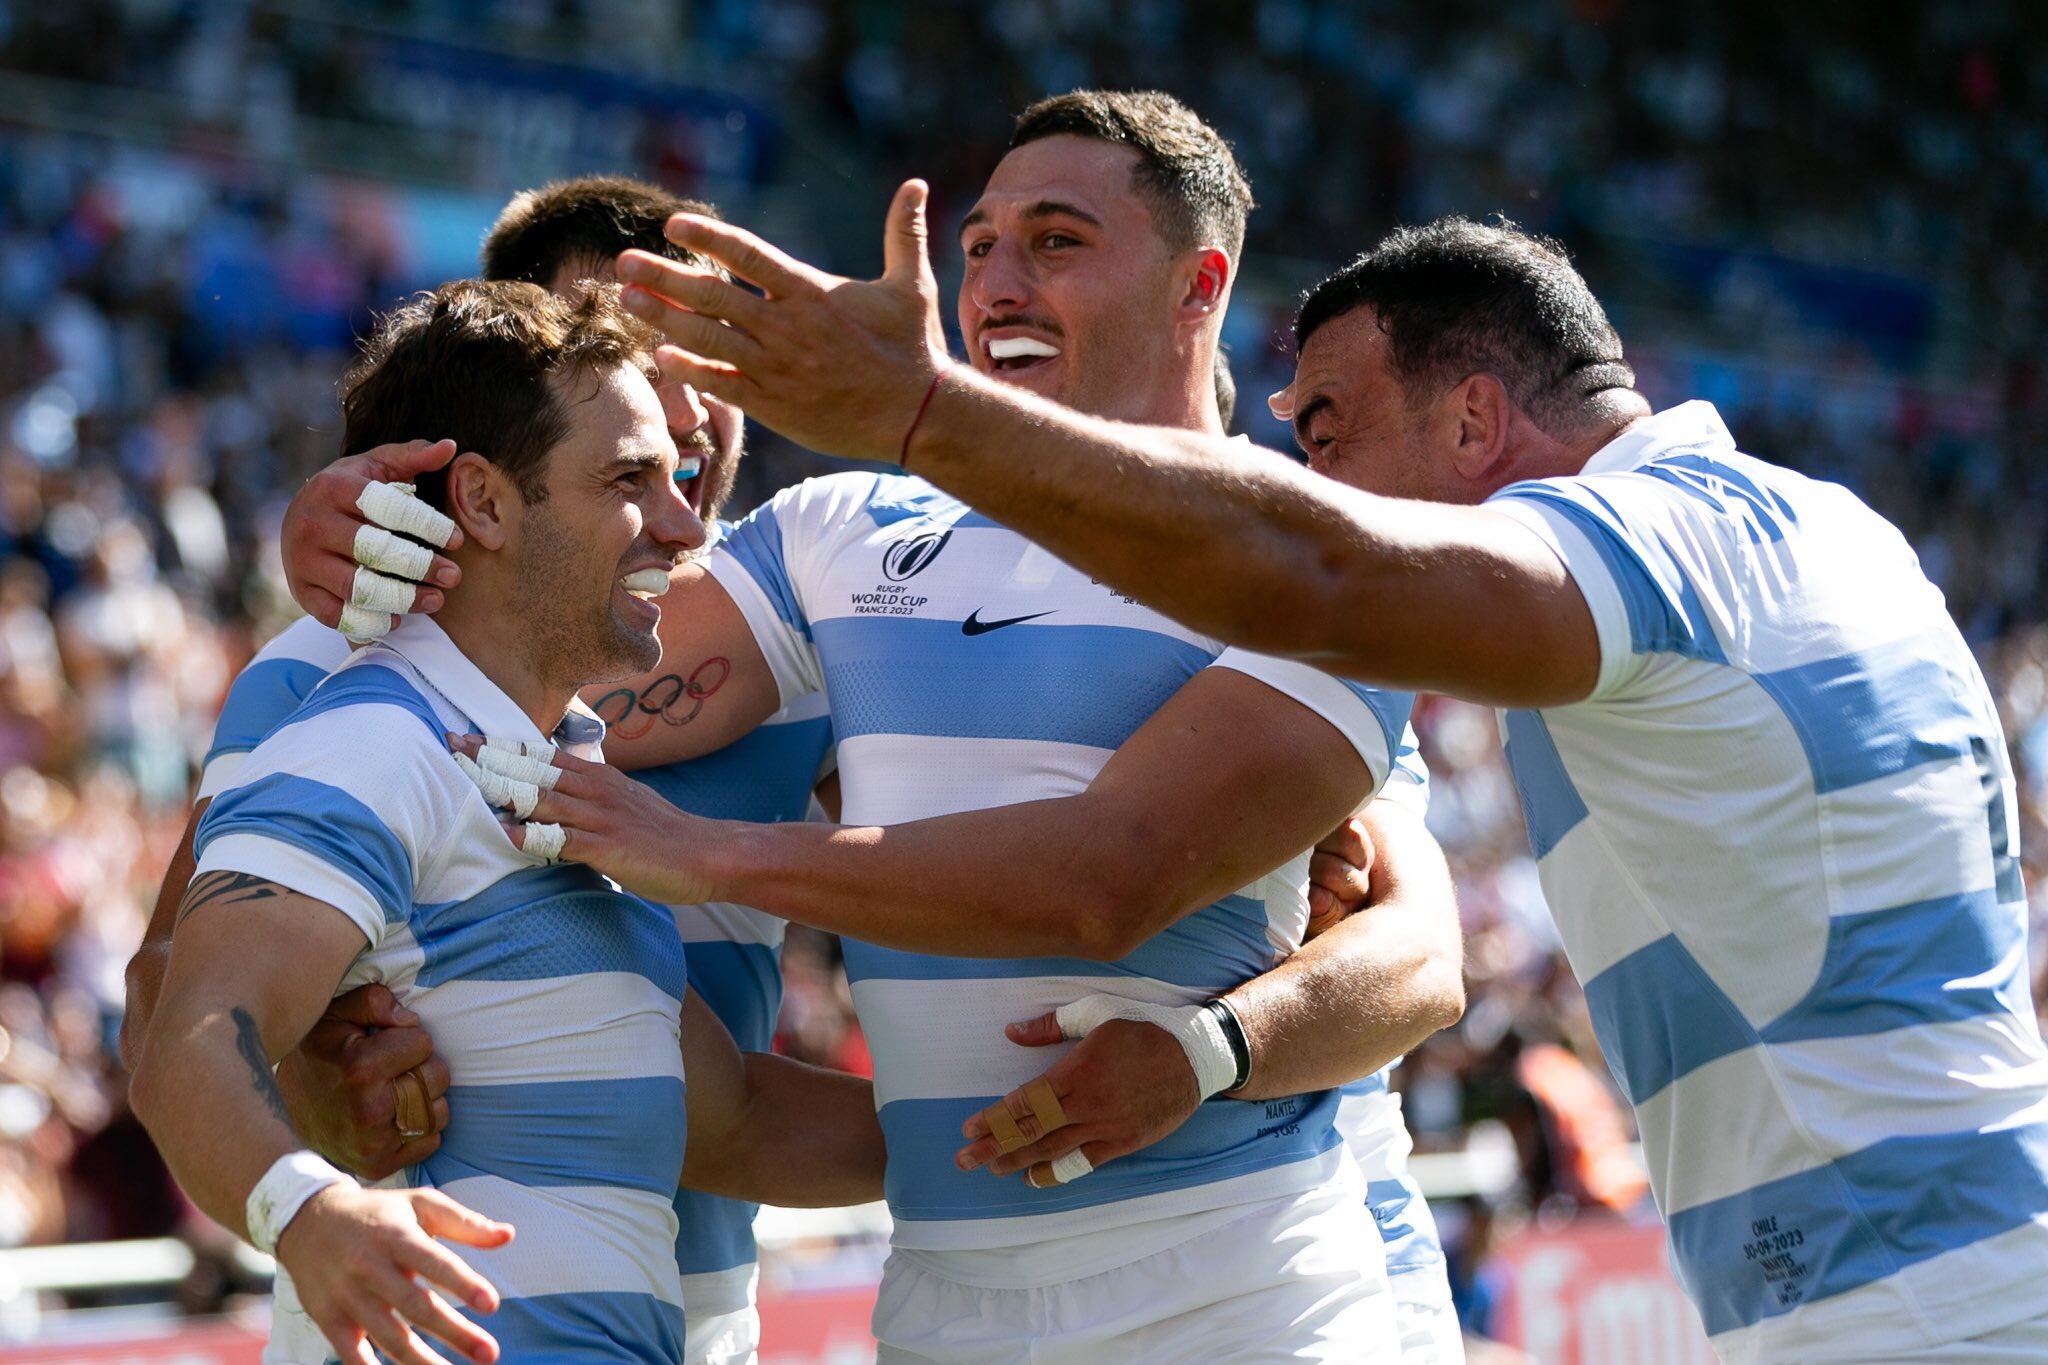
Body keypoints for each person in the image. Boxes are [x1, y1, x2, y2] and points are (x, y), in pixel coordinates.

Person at [608, 153, 2048, 1363]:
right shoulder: (1834, 531)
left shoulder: (1659, 543)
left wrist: (919, 414)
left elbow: (1317, 581)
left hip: (1897, 1303)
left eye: (1337, 433)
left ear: (1478, 420)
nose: (1319, 477)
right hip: (1954, 1260)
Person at [284, 94, 1466, 1363]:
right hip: (942, 1305)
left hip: (1242, 1288)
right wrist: (383, 548)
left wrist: (1210, 1048)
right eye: (978, 249)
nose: (998, 286)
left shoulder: (1305, 556)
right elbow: (520, 666)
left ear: (1199, 282)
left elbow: (1131, 888)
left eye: (1056, 243)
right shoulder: (837, 534)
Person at [119, 177, 820, 1365]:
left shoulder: (817, 631)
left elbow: (744, 1114)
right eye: (624, 348)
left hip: (690, 1313)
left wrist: (1183, 1067)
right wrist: (306, 1113)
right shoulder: (339, 677)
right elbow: (175, 1012)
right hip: (428, 1306)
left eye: (703, 344)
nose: (675, 397)